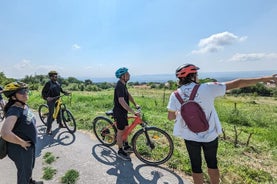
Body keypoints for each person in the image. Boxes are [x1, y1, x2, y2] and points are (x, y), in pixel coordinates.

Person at [167, 64, 277, 184]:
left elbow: (171, 117)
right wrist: (265, 78)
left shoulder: (175, 95)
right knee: (212, 164)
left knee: (195, 166)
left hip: (190, 136)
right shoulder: (207, 88)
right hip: (210, 135)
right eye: (196, 74)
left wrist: (180, 112)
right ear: (193, 76)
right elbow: (238, 83)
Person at [0, 82, 43, 184]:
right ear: (14, 97)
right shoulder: (14, 110)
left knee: (28, 168)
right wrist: (22, 142)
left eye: (26, 91)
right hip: (20, 148)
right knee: (24, 173)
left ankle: (30, 181)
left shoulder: (23, 105)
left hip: (28, 146)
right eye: (21, 92)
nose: (25, 93)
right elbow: (5, 133)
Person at [113, 67, 140, 160]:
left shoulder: (123, 84)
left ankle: (126, 145)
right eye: (127, 74)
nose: (129, 75)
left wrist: (135, 104)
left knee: (126, 128)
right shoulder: (119, 86)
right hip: (119, 112)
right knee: (120, 132)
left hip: (123, 112)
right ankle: (120, 151)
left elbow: (128, 95)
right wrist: (132, 111)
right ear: (122, 76)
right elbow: (121, 101)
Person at [41, 71, 69, 135]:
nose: (56, 77)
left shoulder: (57, 83)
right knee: (51, 114)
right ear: (51, 77)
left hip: (57, 99)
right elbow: (43, 93)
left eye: (56, 76)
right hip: (51, 100)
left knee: (59, 111)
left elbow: (61, 90)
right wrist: (47, 98)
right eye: (54, 76)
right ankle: (48, 129)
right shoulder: (48, 83)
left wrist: (66, 92)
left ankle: (60, 124)